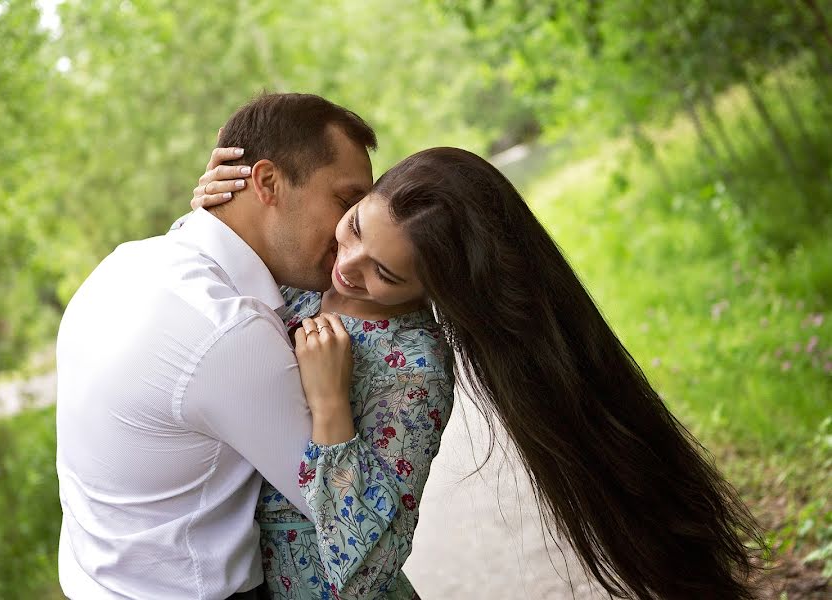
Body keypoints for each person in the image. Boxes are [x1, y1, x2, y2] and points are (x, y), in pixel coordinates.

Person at [195, 146, 765, 600]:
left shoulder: (413, 369)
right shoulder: (297, 274)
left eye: (385, 275)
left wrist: (331, 409)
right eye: (355, 227)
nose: (346, 266)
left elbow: (365, 574)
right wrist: (217, 212)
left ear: (434, 290)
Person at [55, 93, 378, 600]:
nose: (351, 231)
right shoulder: (228, 332)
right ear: (267, 182)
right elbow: (346, 519)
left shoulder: (124, 264)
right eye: (346, 201)